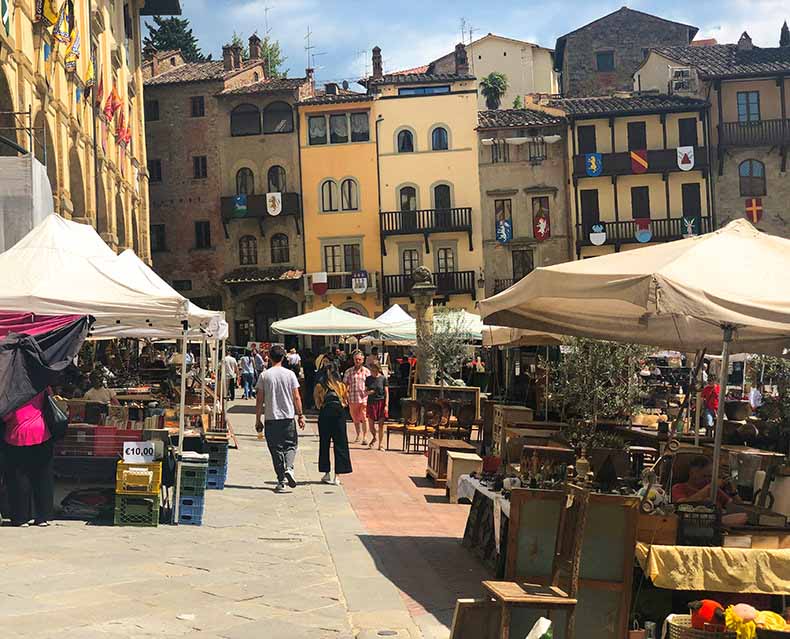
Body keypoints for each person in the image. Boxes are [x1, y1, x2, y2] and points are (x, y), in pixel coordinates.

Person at [255, 345, 305, 493]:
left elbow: (259, 400)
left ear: (269, 357)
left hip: (271, 418)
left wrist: (258, 419)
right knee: (290, 445)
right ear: (283, 358)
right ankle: (289, 467)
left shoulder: (264, 375)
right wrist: (300, 415)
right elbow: (296, 396)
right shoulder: (290, 374)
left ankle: (281, 480)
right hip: (288, 417)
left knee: (275, 448)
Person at [2, 390, 54, 526]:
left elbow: (6, 415)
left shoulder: (10, 389)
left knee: (18, 477)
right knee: (42, 476)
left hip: (17, 434)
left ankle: (21, 517)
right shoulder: (42, 386)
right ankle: (42, 516)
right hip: (42, 432)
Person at [314, 361, 352, 485]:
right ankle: (337, 476)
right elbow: (346, 401)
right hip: (339, 414)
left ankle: (326, 473)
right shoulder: (341, 385)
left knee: (324, 443)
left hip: (325, 414)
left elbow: (318, 404)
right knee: (340, 443)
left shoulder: (320, 385)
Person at [343, 350, 371, 445]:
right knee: (355, 419)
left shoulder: (367, 372)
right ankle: (358, 435)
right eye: (356, 359)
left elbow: (371, 384)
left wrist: (369, 393)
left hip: (364, 398)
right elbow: (345, 385)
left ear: (363, 360)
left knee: (364, 417)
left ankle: (365, 437)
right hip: (352, 398)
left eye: (359, 359)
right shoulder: (349, 371)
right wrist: (345, 396)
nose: (357, 361)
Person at [365, 361, 389, 450]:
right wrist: (369, 392)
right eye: (371, 369)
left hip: (381, 402)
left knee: (381, 425)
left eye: (374, 369)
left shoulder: (383, 379)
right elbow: (365, 391)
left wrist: (386, 405)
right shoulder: (368, 379)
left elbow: (386, 392)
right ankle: (374, 436)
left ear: (378, 369)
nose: (372, 371)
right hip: (371, 403)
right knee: (371, 425)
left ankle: (381, 444)